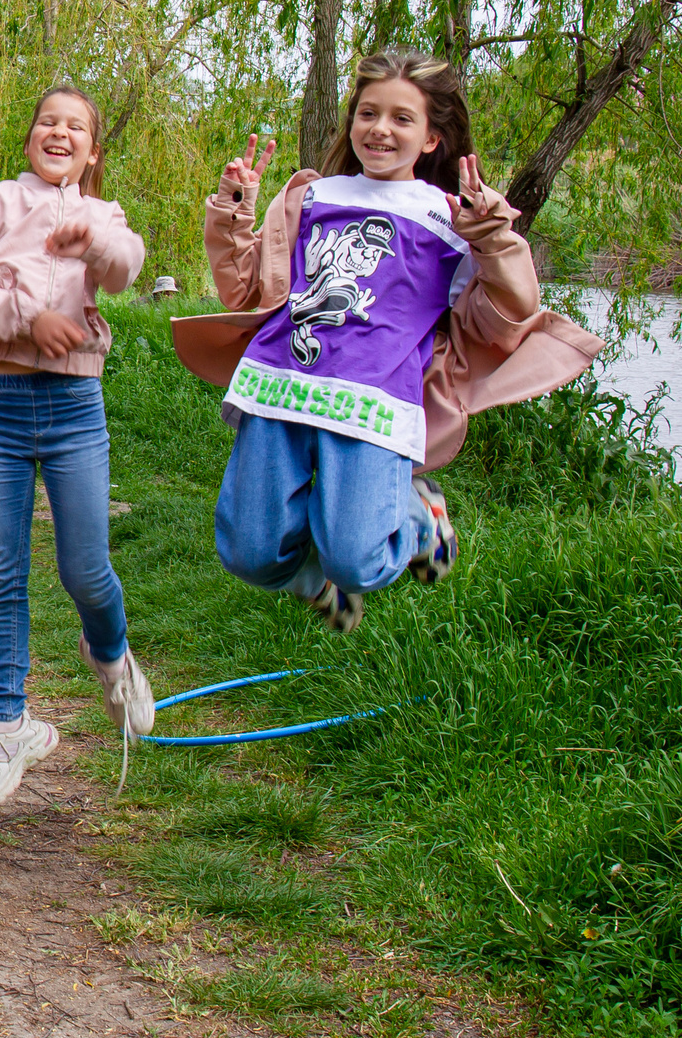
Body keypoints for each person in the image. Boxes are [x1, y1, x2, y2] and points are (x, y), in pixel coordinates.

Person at [173, 48, 602, 631]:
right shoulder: (313, 197)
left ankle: (417, 514)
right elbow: (244, 288)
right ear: (352, 122)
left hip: (373, 405)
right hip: (277, 387)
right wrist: (233, 211)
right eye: (368, 113)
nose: (380, 129)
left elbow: (510, 308)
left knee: (359, 561)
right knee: (248, 552)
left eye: (402, 118)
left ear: (431, 138)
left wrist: (493, 238)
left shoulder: (449, 218)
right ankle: (314, 581)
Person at [0, 84, 157, 808]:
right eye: (46, 121)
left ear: (92, 151)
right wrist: (27, 317)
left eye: (76, 127)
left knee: (85, 568)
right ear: (29, 135)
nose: (58, 132)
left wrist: (92, 241)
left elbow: (125, 266)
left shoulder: (104, 216)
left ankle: (112, 654)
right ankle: (8, 725)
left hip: (73, 408)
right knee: (0, 570)